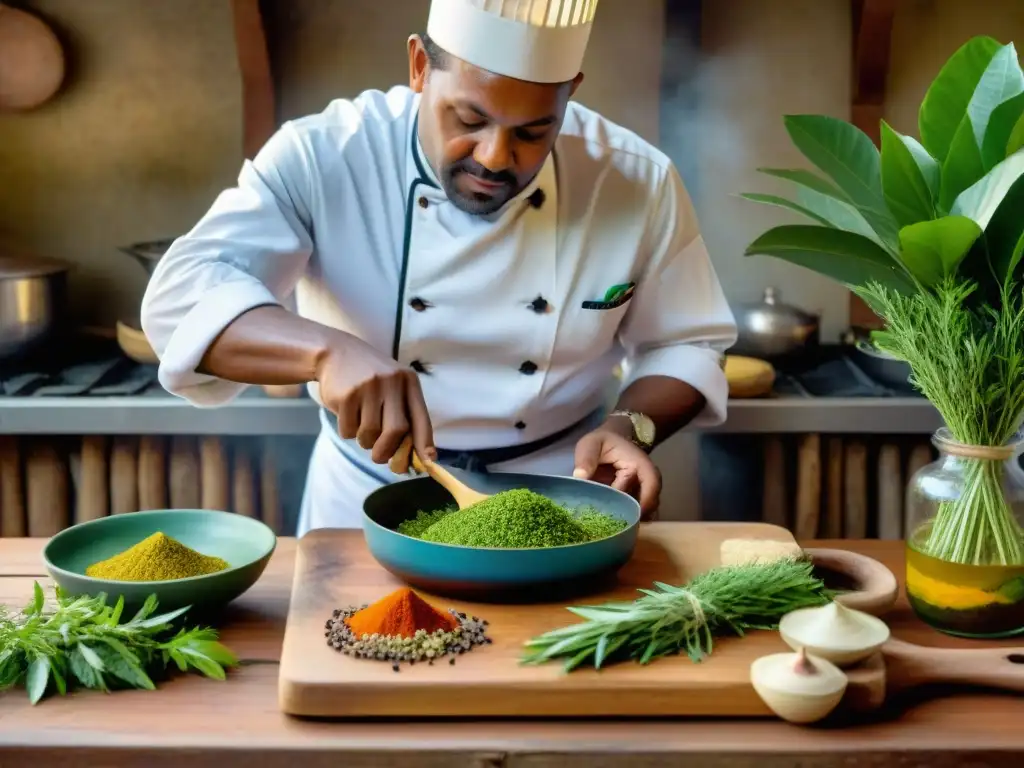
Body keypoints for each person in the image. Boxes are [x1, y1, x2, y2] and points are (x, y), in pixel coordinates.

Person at [140, 0, 737, 536]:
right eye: (469, 120)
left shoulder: (634, 178)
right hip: (366, 504)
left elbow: (687, 344)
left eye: (533, 132)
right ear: (420, 67)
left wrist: (630, 428)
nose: (495, 157)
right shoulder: (325, 155)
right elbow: (179, 300)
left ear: (570, 92)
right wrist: (324, 352)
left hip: (564, 506)